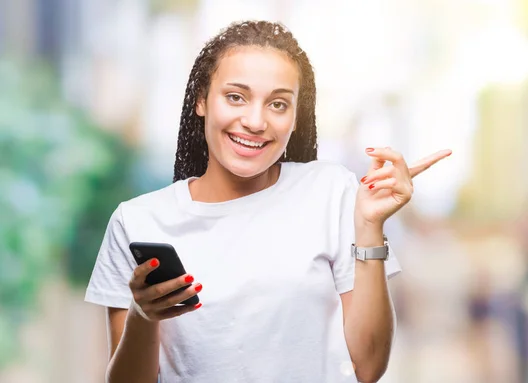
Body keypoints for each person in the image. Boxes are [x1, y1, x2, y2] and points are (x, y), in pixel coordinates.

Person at [84, 20, 451, 383]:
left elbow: (368, 367)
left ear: (295, 116)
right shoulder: (138, 222)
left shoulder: (331, 192)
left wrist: (370, 227)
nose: (256, 121)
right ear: (201, 100)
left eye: (277, 104)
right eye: (235, 97)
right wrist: (143, 315)